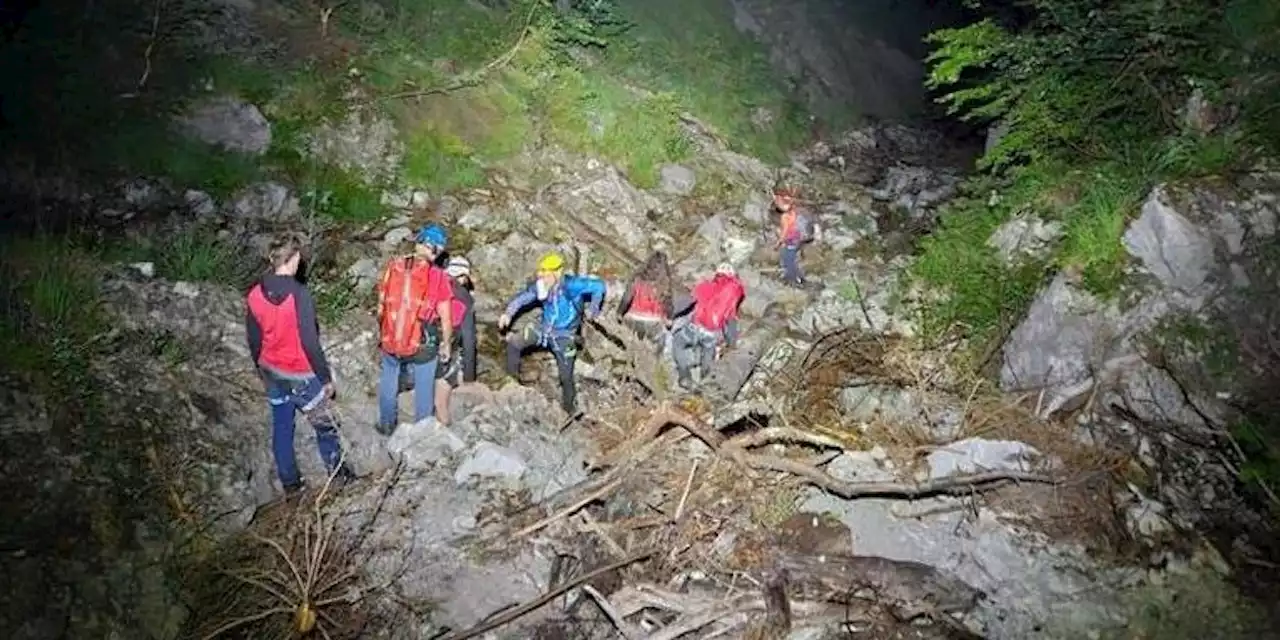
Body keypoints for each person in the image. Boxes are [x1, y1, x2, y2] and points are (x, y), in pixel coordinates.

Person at [245, 232, 355, 494]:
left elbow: (253, 336)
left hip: (270, 369)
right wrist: (325, 378)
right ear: (292, 258)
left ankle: (291, 484)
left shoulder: (254, 293)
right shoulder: (299, 293)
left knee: (282, 427)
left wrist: (259, 366)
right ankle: (339, 475)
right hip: (300, 373)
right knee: (324, 425)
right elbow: (310, 340)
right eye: (299, 257)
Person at [498, 251, 607, 416]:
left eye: (546, 274)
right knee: (514, 343)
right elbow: (523, 298)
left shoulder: (572, 285)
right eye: (541, 273)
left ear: (557, 273)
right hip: (543, 329)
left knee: (566, 376)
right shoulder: (541, 286)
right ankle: (511, 383)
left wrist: (594, 309)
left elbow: (599, 286)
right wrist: (508, 313)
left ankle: (569, 410)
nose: (542, 278)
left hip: (565, 336)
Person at [375, 224, 453, 434]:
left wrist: (382, 332)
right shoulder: (438, 276)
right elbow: (446, 318)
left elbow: (381, 303)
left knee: (389, 377)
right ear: (436, 250)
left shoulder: (393, 266)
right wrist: (446, 343)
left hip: (391, 336)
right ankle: (421, 433)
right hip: (423, 340)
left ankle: (386, 424)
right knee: (424, 387)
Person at [673, 263, 746, 391]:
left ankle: (685, 376)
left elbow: (687, 303)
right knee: (708, 354)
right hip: (712, 333)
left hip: (694, 327)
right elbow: (730, 320)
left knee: (678, 344)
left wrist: (671, 315)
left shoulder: (704, 286)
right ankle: (705, 382)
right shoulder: (732, 293)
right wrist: (731, 343)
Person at [433, 256, 478, 426]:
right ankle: (442, 426)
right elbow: (469, 339)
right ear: (464, 276)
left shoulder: (433, 282)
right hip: (445, 344)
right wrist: (469, 376)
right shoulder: (464, 297)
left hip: (423, 343)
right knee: (442, 392)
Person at [616, 250, 679, 352]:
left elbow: (627, 297)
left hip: (634, 317)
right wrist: (669, 319)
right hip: (653, 320)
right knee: (660, 342)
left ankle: (634, 349)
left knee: (634, 341)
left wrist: (619, 312)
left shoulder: (637, 278)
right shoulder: (664, 283)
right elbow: (667, 304)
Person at [772, 182, 817, 287]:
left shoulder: (785, 217)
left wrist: (778, 243)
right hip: (799, 239)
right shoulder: (794, 211)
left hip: (791, 240)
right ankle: (797, 277)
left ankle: (796, 279)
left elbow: (785, 231)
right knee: (790, 258)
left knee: (788, 260)